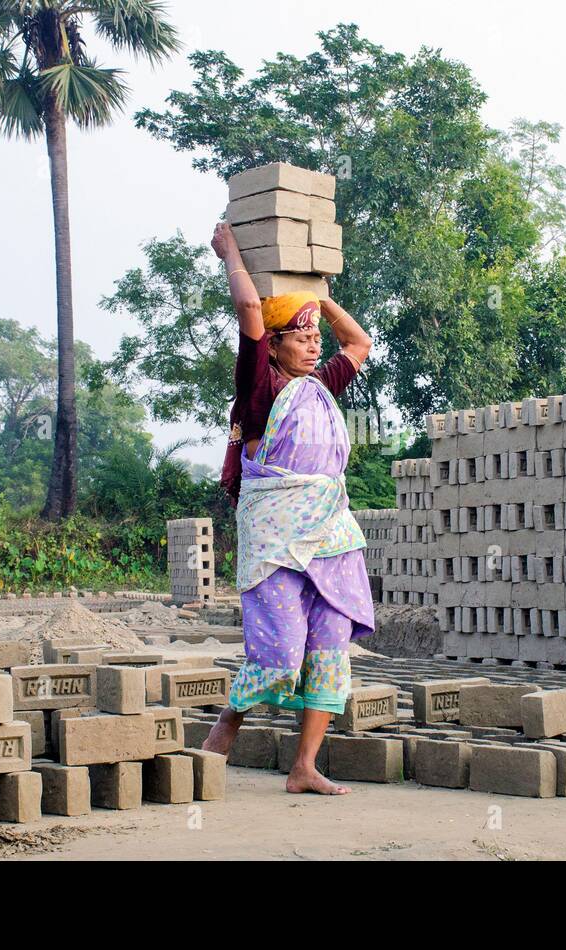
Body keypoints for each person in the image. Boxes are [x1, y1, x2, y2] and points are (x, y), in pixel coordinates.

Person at [202, 221, 374, 795]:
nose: (313, 343)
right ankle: (223, 732)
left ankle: (304, 767)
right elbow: (251, 307)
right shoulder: (260, 388)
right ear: (274, 345)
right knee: (277, 655)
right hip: (276, 539)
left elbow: (359, 344)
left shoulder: (319, 386)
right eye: (300, 336)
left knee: (329, 652)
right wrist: (231, 253)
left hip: (330, 536)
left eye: (312, 336)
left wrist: (318, 297)